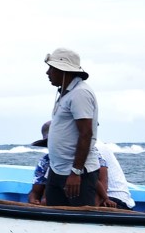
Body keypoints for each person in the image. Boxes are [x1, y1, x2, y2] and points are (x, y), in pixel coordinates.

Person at [43, 48, 101, 208]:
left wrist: (76, 172)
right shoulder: (66, 93)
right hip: (58, 170)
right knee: (54, 218)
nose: (48, 73)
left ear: (63, 71)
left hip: (76, 173)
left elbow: (86, 133)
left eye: (51, 68)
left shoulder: (80, 93)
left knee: (81, 222)